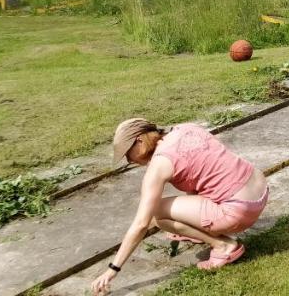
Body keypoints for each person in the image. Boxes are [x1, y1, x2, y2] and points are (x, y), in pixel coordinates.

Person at [91, 119, 269, 294]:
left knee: (155, 216)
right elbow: (203, 173)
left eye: (128, 154)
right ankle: (204, 230)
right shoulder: (186, 129)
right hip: (260, 190)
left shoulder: (159, 165)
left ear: (139, 140)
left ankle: (224, 246)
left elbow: (141, 224)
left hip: (238, 211)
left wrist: (112, 270)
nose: (130, 161)